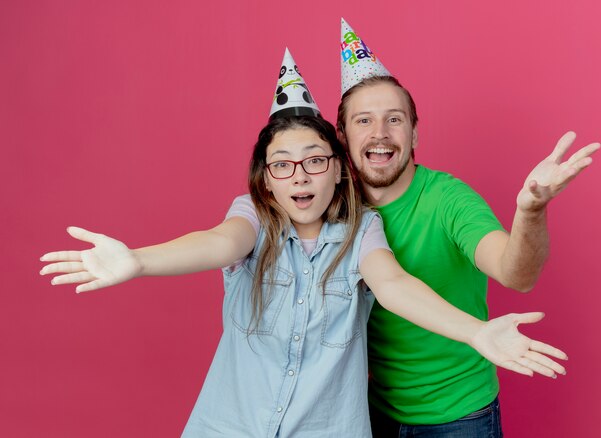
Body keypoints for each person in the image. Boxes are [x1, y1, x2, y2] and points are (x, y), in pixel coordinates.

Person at [39, 49, 567, 437]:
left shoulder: (369, 226)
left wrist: (477, 331)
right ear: (265, 178)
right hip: (253, 422)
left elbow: (393, 284)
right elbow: (220, 243)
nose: (300, 176)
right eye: (283, 165)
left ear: (338, 171)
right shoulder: (254, 216)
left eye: (315, 160)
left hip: (404, 418)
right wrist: (137, 260)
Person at [337, 19, 600, 437]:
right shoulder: (334, 207)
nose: (380, 134)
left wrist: (530, 212)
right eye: (363, 121)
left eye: (395, 119)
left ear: (415, 132)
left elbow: (517, 273)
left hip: (459, 417)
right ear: (343, 136)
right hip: (369, 412)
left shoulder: (450, 200)